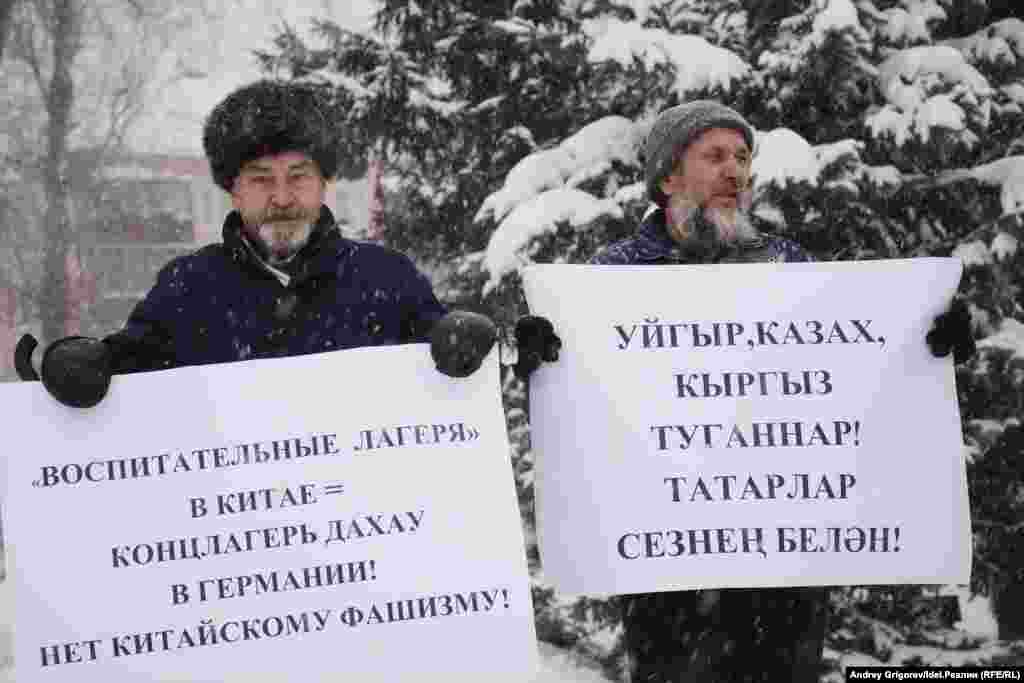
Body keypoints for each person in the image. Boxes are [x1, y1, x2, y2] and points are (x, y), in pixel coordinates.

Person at [514, 100, 976, 682]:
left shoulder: (789, 265)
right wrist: (539, 362)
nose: (735, 171)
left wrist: (928, 346)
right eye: (714, 156)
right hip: (669, 562)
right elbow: (577, 406)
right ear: (667, 178)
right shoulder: (613, 275)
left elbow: (851, 377)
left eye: (742, 157)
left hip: (786, 561)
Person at [15, 80, 496, 407]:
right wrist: (76, 362)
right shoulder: (189, 287)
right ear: (233, 189)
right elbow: (124, 369)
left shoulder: (385, 277)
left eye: (298, 176)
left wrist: (486, 343)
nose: (282, 198)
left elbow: (451, 356)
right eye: (261, 179)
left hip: (363, 521)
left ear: (324, 183)